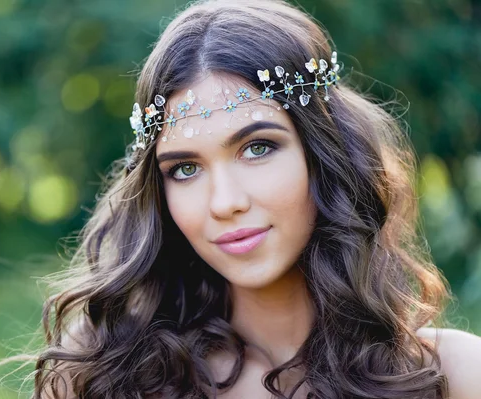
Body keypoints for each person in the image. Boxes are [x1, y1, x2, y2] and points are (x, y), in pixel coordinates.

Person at [26, 0, 481, 397]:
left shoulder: (450, 377)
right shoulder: (104, 375)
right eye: (185, 169)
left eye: (257, 148)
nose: (224, 202)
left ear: (324, 152)